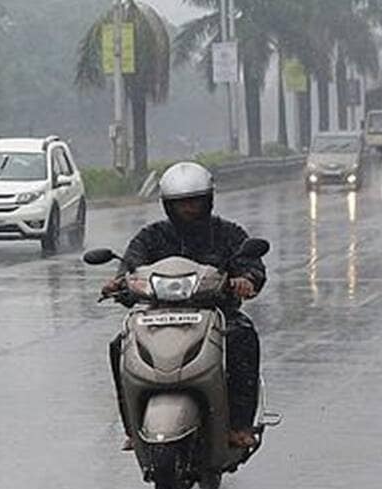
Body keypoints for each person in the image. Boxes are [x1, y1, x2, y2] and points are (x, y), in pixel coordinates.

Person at [103, 162, 265, 449]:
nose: (189, 208)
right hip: (156, 314)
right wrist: (119, 284)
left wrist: (246, 279)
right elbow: (129, 268)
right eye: (181, 203)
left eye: (196, 201)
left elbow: (250, 265)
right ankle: (132, 427)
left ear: (209, 200)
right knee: (120, 345)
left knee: (243, 337)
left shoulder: (228, 233)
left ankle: (239, 424)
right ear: (168, 205)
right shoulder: (151, 236)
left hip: (217, 313)